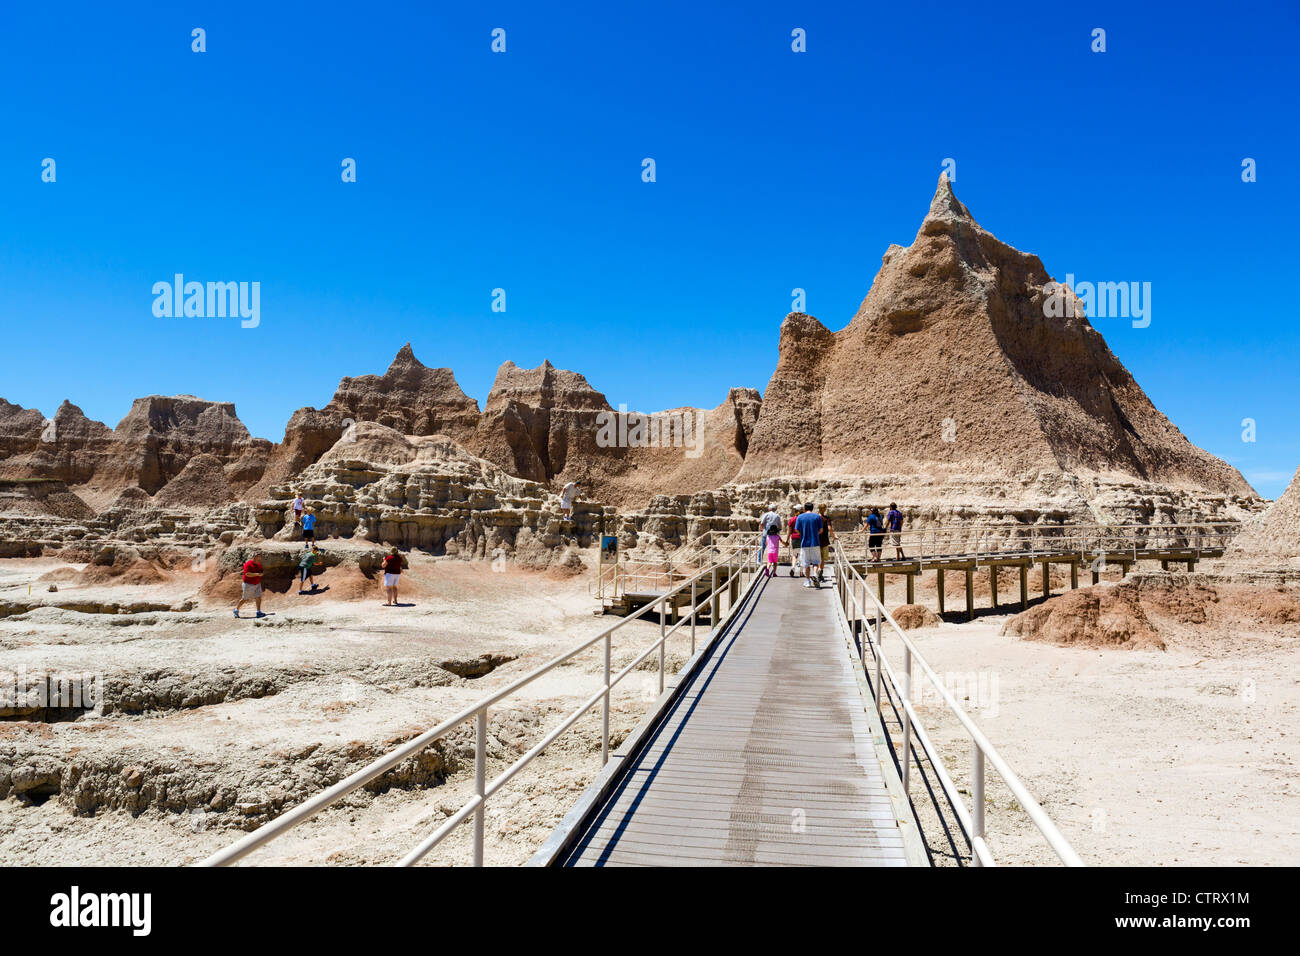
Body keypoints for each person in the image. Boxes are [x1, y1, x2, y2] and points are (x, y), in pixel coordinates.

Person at [793, 503, 824, 589]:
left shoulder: (800, 517)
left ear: (804, 508)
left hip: (804, 543)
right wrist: (815, 534)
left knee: (806, 563)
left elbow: (796, 530)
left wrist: (802, 534)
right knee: (816, 562)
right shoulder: (817, 517)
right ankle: (814, 574)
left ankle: (807, 581)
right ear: (812, 508)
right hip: (815, 542)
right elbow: (821, 530)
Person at [234, 551, 265, 618]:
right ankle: (236, 610)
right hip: (248, 584)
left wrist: (261, 573)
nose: (259, 557)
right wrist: (257, 574)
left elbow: (261, 571)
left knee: (258, 597)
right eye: (257, 556)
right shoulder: (248, 564)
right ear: (254, 557)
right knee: (245, 598)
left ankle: (258, 612)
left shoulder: (259, 564)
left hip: (257, 583)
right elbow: (247, 574)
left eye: (259, 556)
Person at [759, 504, 782, 577]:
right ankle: (774, 570)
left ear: (769, 509)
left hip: (766, 534)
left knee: (762, 547)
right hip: (774, 535)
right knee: (774, 548)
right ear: (775, 509)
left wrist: (762, 530)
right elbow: (780, 526)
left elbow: (762, 523)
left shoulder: (766, 514)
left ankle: (759, 561)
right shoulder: (777, 516)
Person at [816, 504, 837, 584]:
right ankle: (820, 573)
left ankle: (816, 572)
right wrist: (833, 536)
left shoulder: (815, 517)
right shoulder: (826, 518)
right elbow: (829, 528)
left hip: (816, 540)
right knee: (823, 559)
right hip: (824, 540)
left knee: (817, 559)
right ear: (824, 509)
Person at [785, 510, 802, 577]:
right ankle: (801, 572)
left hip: (794, 538)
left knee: (794, 555)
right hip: (801, 538)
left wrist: (787, 540)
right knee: (801, 555)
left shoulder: (792, 519)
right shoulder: (802, 519)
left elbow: (789, 531)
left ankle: (793, 567)